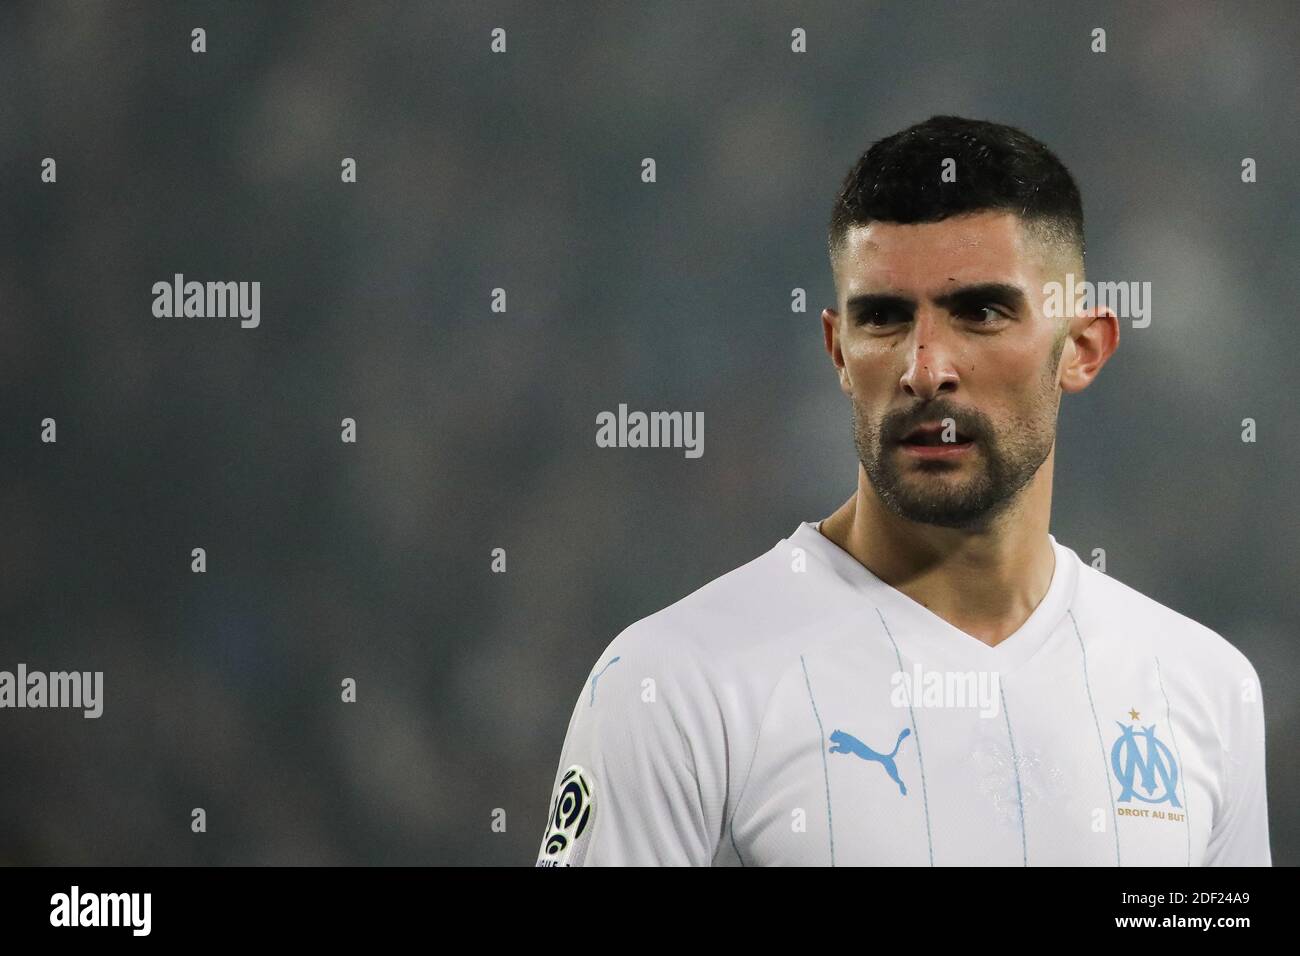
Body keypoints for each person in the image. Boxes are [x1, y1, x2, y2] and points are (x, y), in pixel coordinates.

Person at [535, 116, 1270, 866]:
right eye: (884, 318)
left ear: (1081, 348)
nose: (925, 368)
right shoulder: (674, 686)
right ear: (839, 353)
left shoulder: (1202, 691)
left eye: (980, 313)